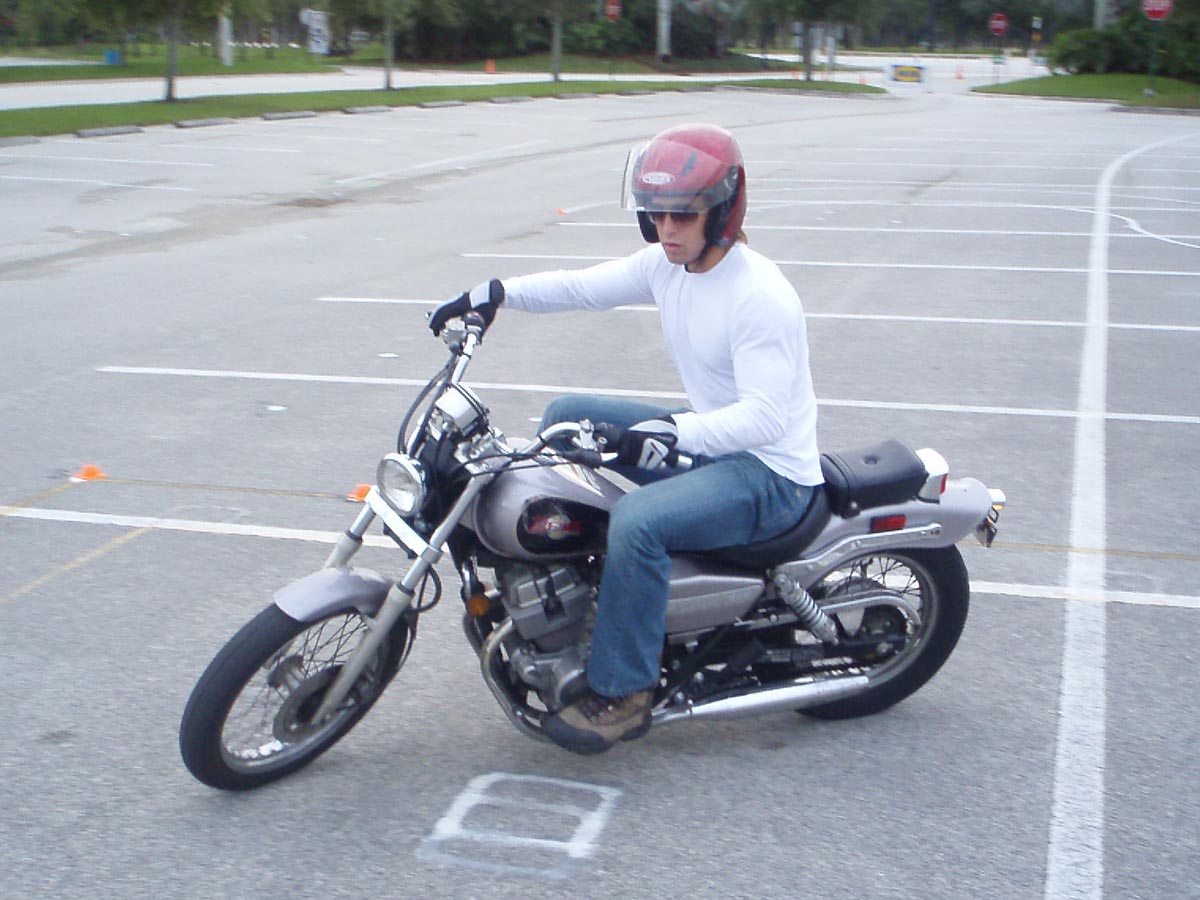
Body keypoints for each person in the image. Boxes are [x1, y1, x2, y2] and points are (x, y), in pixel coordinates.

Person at [428, 123, 823, 755]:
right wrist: (495, 293)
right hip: (714, 444)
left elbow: (766, 420)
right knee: (566, 415)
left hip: (770, 476)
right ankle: (577, 589)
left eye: (682, 215)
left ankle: (624, 690)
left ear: (722, 210)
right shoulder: (669, 267)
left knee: (638, 522)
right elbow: (582, 287)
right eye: (656, 214)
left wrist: (665, 436)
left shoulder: (759, 296)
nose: (666, 228)